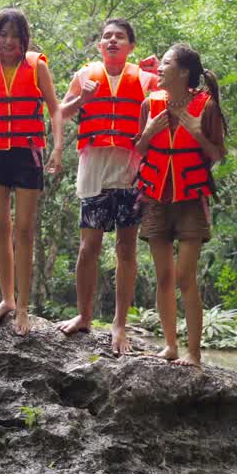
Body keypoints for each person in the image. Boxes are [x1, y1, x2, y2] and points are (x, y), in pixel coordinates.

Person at [56, 18, 157, 353]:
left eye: (120, 37)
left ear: (130, 46)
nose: (112, 41)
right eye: (107, 37)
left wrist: (161, 74)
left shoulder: (146, 79)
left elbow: (175, 105)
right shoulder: (85, 76)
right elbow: (60, 113)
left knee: (127, 249)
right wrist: (81, 99)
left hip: (130, 172)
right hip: (95, 170)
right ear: (100, 46)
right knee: (88, 249)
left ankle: (119, 325)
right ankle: (84, 315)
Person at [0, 9, 63, 335]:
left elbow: (55, 108)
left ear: (24, 39)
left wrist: (58, 147)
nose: (8, 42)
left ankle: (23, 306)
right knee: (0, 227)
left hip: (27, 153)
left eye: (14, 36)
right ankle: (6, 299)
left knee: (24, 230)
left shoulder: (38, 68)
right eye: (3, 35)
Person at [134, 43, 227, 367]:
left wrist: (196, 133)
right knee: (163, 277)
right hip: (156, 198)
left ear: (183, 72)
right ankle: (170, 346)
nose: (159, 68)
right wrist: (147, 132)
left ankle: (194, 353)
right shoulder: (151, 103)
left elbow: (217, 155)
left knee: (185, 277)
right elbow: (142, 150)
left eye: (166, 63)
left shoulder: (208, 107)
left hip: (190, 199)